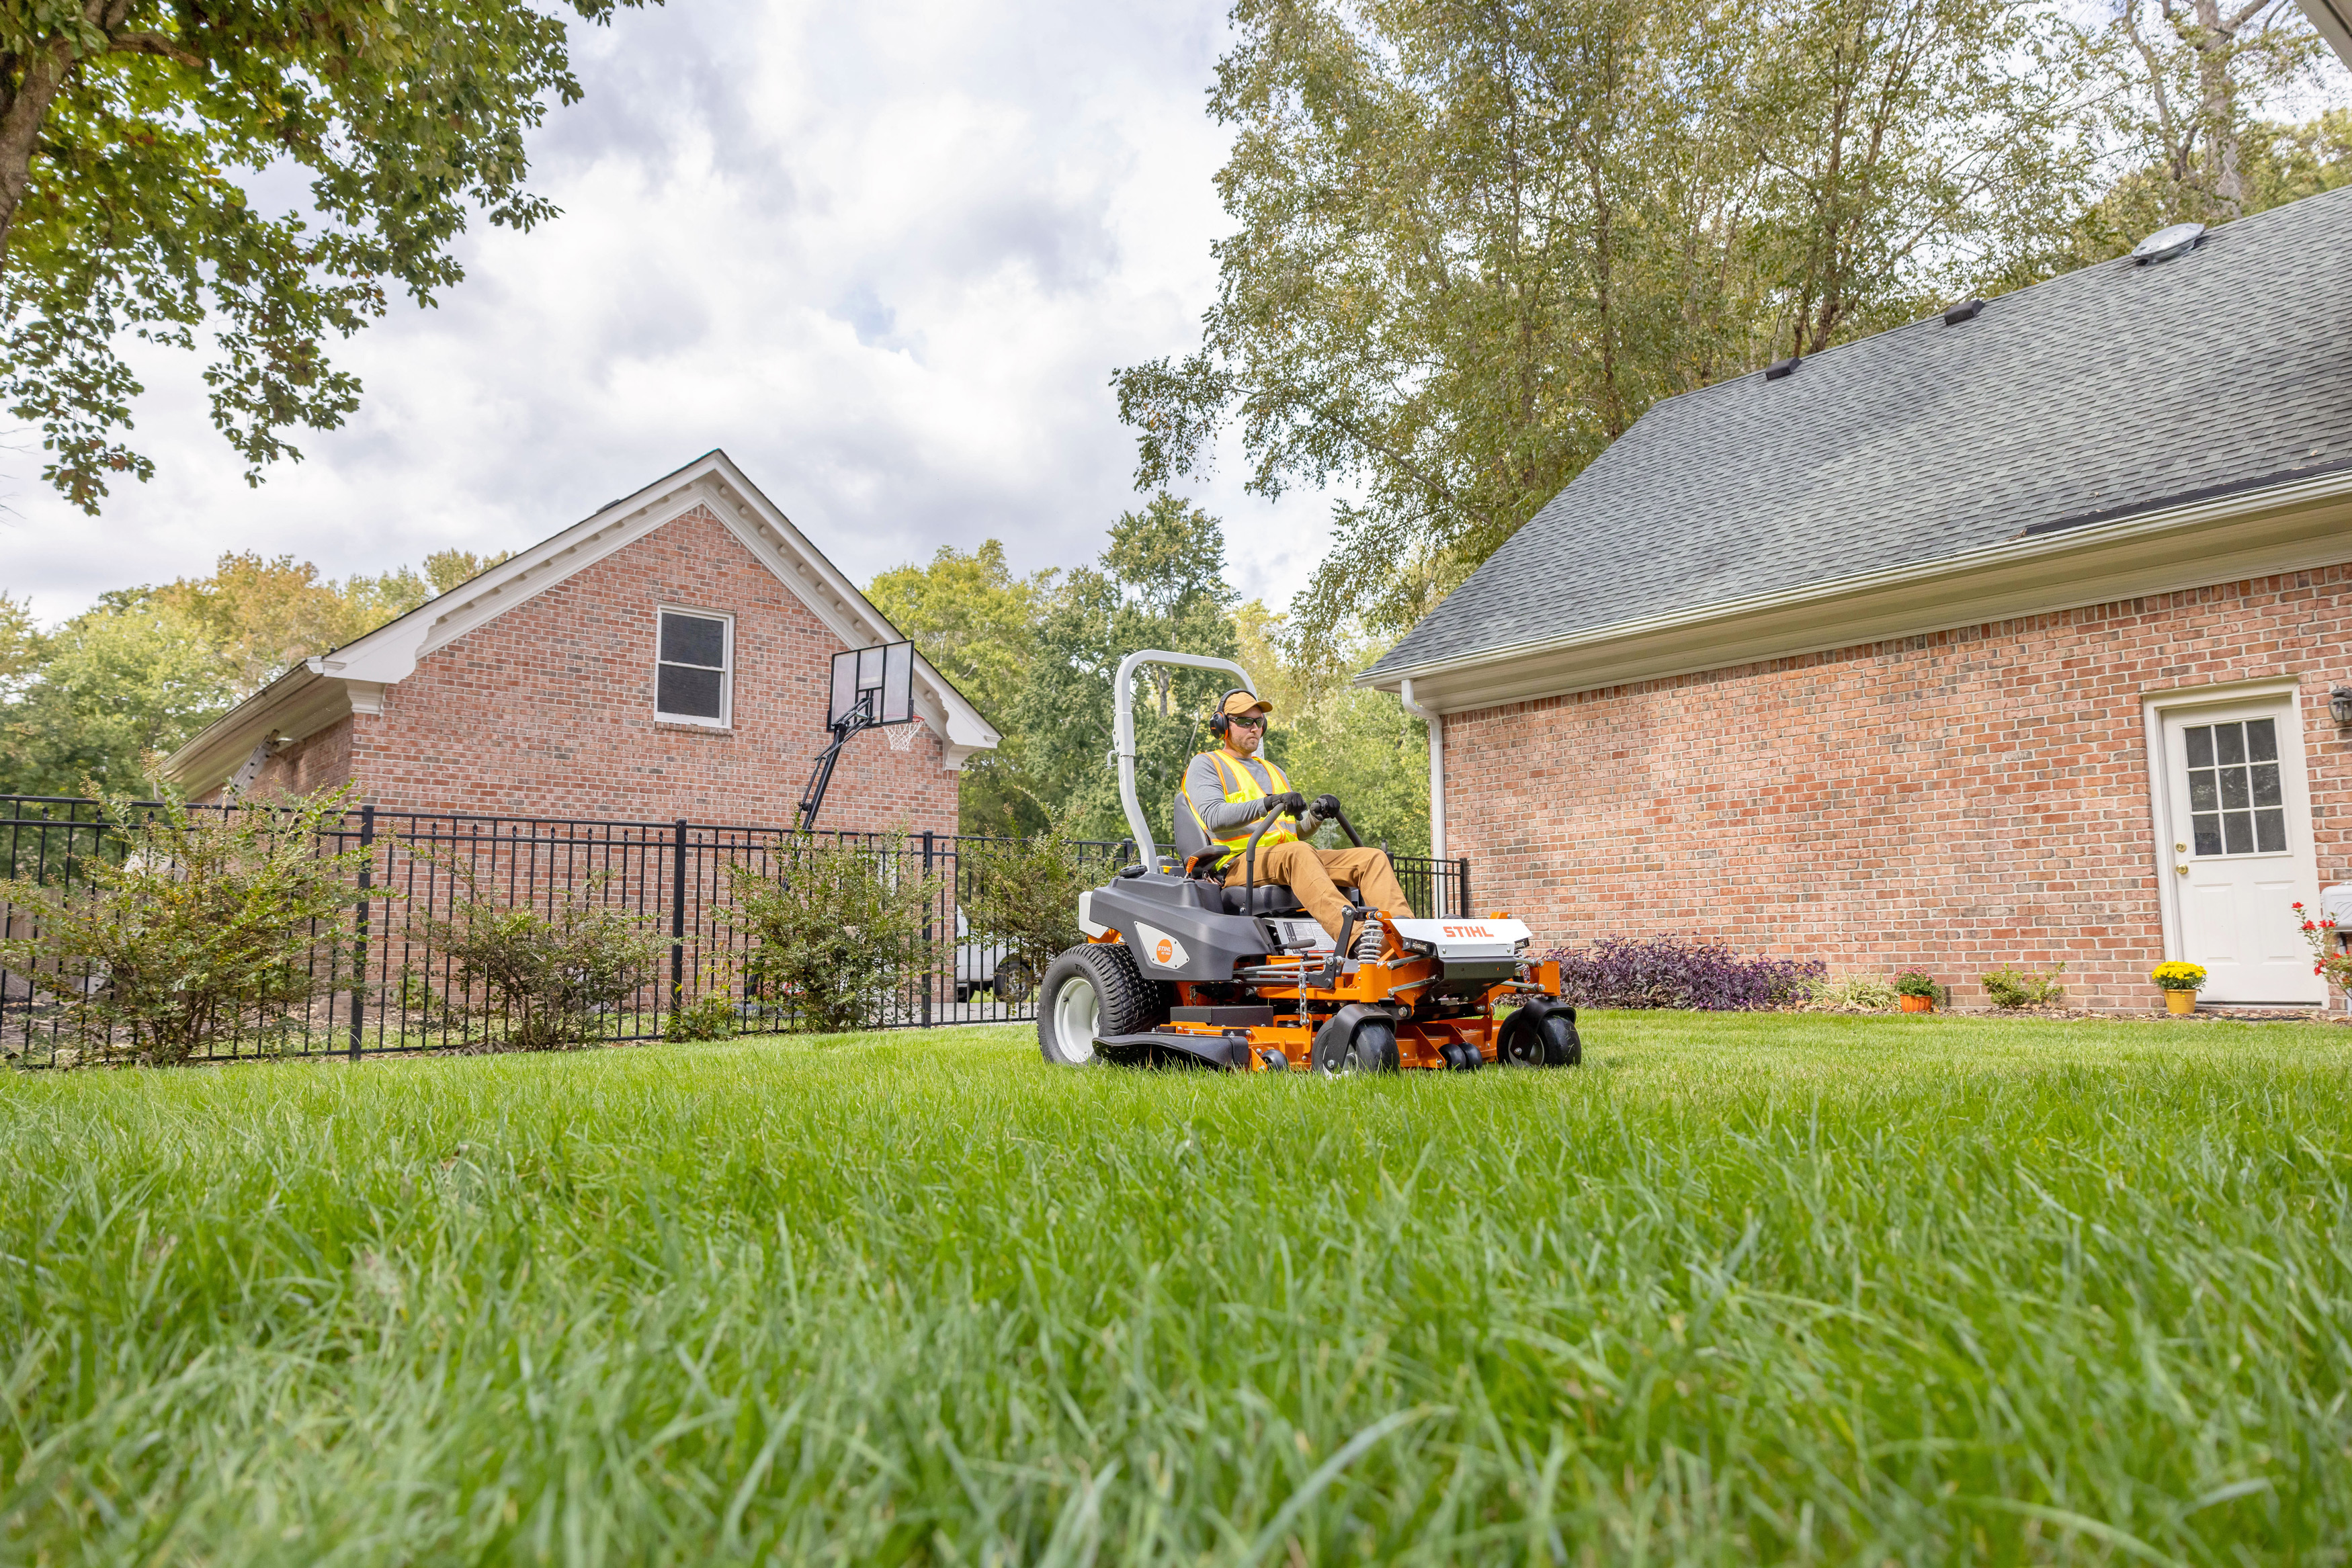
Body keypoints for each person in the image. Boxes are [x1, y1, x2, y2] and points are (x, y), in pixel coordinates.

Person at [1180, 689, 1413, 959]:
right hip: (1240, 863)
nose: (1254, 728)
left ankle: (1404, 935)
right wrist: (1268, 803)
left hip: (1289, 858)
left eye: (1259, 722)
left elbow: (1293, 832)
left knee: (1371, 858)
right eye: (1244, 721)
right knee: (1299, 854)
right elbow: (1214, 817)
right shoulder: (1207, 764)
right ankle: (1356, 939)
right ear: (1221, 725)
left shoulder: (1274, 771)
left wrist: (1315, 815)